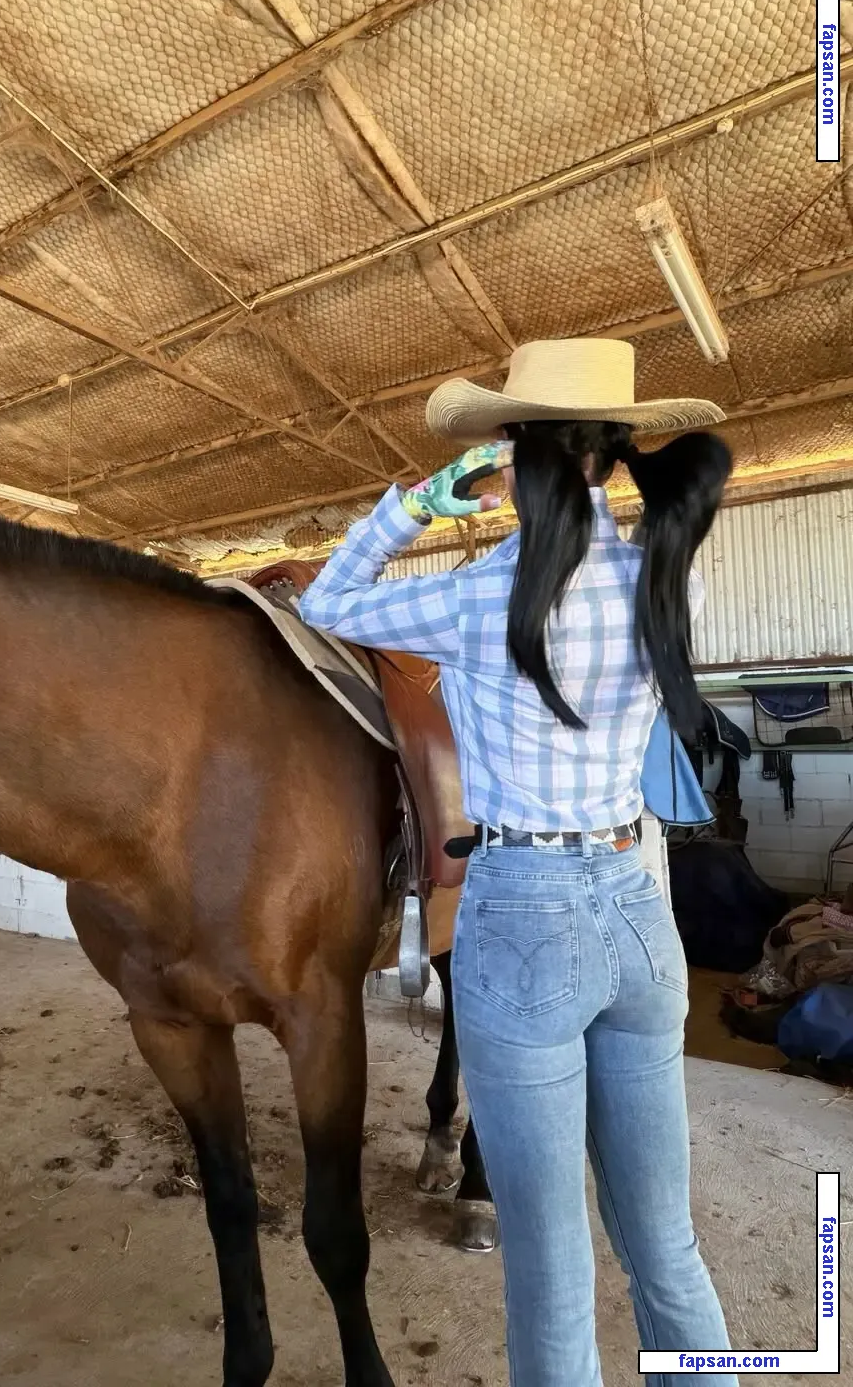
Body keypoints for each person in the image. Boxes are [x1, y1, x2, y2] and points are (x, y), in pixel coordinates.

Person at [298, 338, 738, 1387]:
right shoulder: (670, 584)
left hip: (523, 911)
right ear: (608, 451)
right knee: (663, 1242)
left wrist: (413, 508)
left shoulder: (469, 596)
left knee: (548, 1264)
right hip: (639, 906)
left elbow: (325, 602)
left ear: (511, 458)